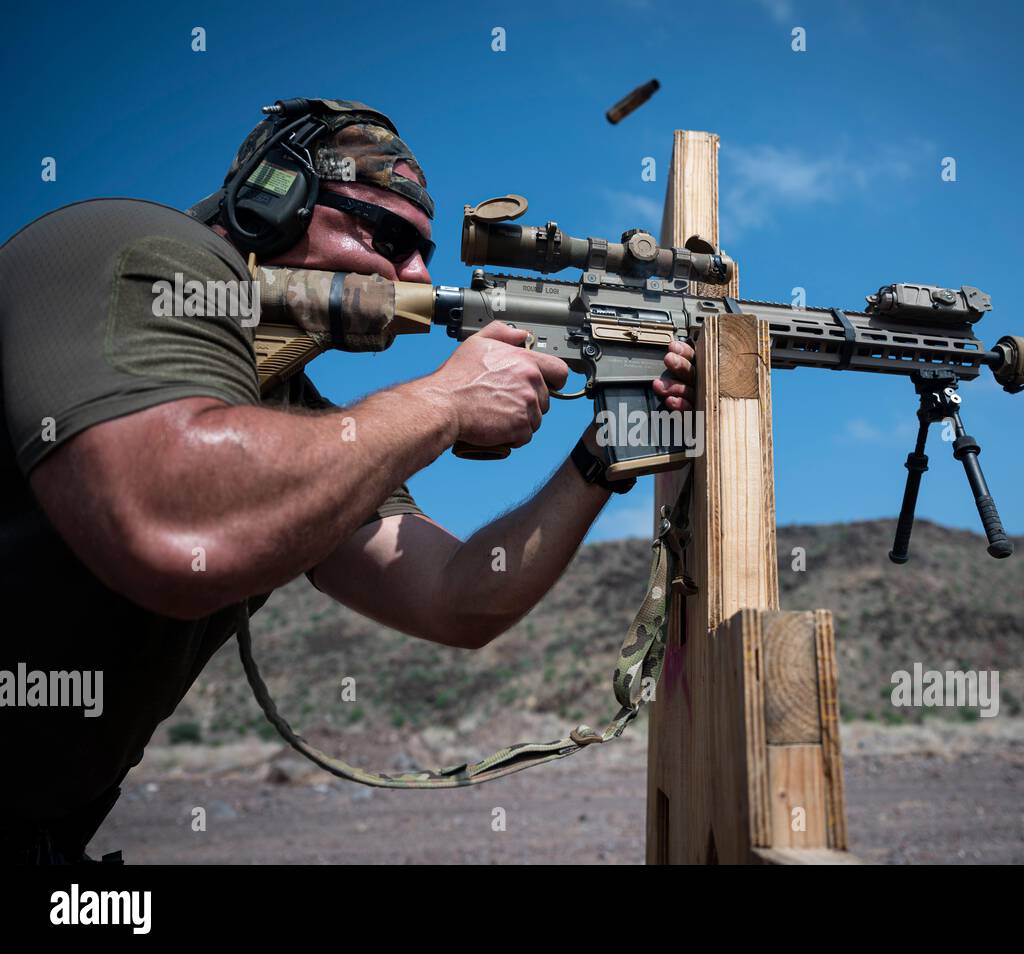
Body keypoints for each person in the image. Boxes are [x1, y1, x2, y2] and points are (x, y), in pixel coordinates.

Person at [0, 98, 695, 863]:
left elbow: (459, 599)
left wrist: (602, 455)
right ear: (273, 201)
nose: (417, 275)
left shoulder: (303, 431)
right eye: (386, 237)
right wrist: (442, 401)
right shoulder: (128, 248)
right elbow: (167, 519)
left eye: (421, 250)